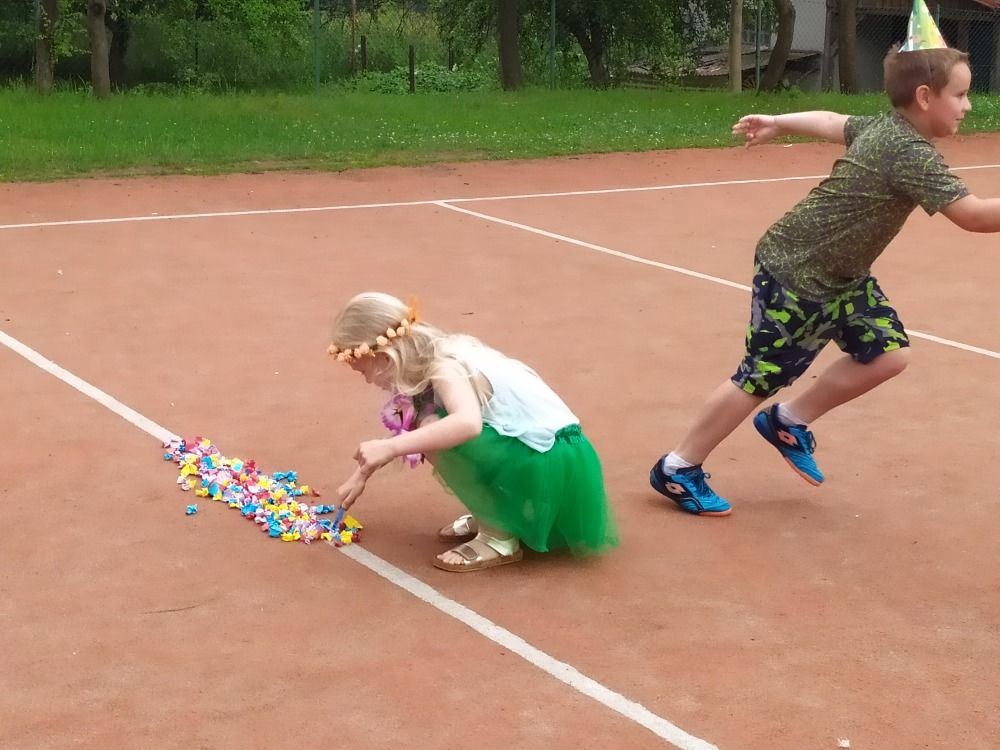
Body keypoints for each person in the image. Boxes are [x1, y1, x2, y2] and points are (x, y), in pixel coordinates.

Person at [651, 32, 1000, 516]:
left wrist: (778, 121)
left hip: (841, 278)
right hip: (796, 273)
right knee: (760, 378)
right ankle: (678, 467)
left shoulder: (885, 129)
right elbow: (974, 215)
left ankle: (788, 422)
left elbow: (832, 122)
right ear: (925, 97)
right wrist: (778, 122)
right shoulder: (909, 152)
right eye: (960, 94)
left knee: (888, 354)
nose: (968, 105)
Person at [327, 292, 618, 570]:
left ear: (385, 357)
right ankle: (496, 513)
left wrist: (389, 447)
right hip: (545, 452)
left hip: (552, 457)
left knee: (432, 430)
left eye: (363, 371)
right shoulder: (430, 354)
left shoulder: (444, 366)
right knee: (426, 424)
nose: (367, 381)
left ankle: (498, 537)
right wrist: (361, 474)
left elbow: (467, 423)